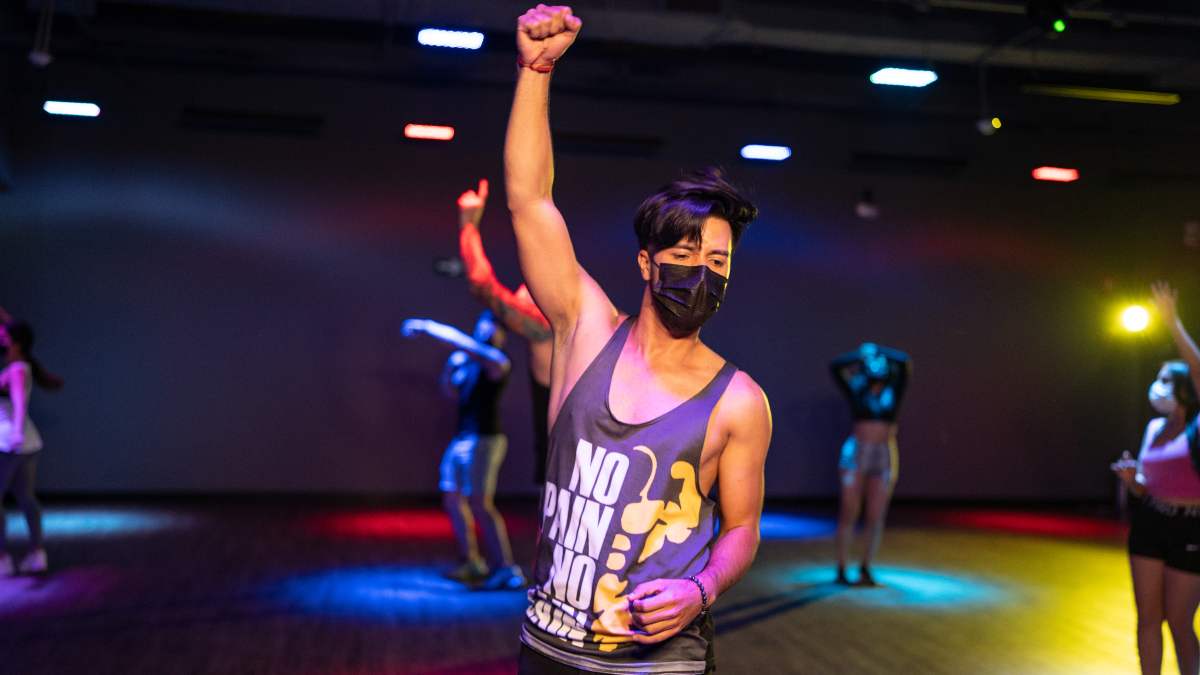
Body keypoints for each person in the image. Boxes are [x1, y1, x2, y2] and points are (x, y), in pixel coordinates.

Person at [505, 6, 773, 673]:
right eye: (686, 253)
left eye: (719, 261)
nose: (703, 273)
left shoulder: (739, 401)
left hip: (661, 663)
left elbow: (741, 529)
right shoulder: (584, 328)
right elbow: (530, 201)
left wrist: (699, 588)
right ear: (647, 263)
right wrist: (536, 70)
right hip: (547, 648)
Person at [401, 311, 527, 590]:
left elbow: (462, 343)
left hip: (485, 440)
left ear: (502, 334)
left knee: (481, 503)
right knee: (452, 497)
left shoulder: (497, 362)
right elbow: (450, 392)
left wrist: (427, 325)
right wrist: (449, 371)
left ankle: (506, 569)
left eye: (494, 325)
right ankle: (472, 562)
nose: (487, 327)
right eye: (484, 321)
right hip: (462, 439)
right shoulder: (469, 365)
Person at [1113, 281, 1200, 675]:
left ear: (1186, 388)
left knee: (1180, 623)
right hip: (1150, 521)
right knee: (1148, 618)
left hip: (1190, 528)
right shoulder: (1153, 428)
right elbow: (1150, 484)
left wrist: (1171, 322)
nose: (1158, 386)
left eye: (1167, 379)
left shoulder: (1197, 426)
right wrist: (1134, 482)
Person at [456, 178, 554, 484]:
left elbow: (484, 287)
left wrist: (468, 226)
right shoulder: (546, 330)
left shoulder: (546, 329)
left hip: (568, 447)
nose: (520, 294)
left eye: (527, 292)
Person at [829, 342, 911, 587]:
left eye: (881, 361)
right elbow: (835, 367)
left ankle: (866, 566)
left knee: (876, 513)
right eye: (873, 360)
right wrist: (862, 354)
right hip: (858, 452)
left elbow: (906, 363)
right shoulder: (857, 388)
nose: (878, 363)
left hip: (884, 452)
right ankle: (842, 567)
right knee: (849, 510)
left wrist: (880, 350)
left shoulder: (893, 391)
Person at [0, 319, 61, 575]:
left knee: (19, 499)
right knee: (26, 498)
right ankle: (37, 554)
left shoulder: (17, 369)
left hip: (10, 442)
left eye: (4, 335)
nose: (1, 337)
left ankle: (2, 560)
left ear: (16, 341)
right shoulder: (20, 366)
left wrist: (15, 433)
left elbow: (20, 402)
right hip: (24, 442)